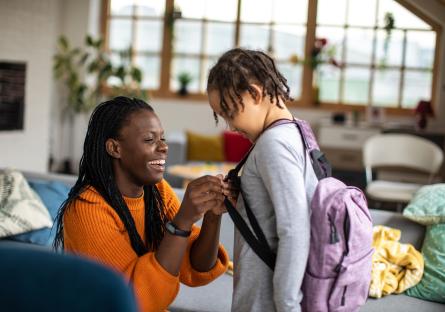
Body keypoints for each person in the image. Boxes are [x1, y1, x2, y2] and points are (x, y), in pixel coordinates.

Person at [53, 96, 230, 312]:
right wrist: (182, 221)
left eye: (162, 138)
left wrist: (212, 216)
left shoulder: (157, 191)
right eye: (149, 140)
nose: (164, 147)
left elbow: (197, 267)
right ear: (114, 148)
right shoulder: (86, 209)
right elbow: (132, 301)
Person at [207, 48, 319, 312]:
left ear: (255, 94)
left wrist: (288, 305)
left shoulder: (273, 144)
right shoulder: (297, 131)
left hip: (266, 303)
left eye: (229, 113)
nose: (231, 126)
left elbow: (295, 229)